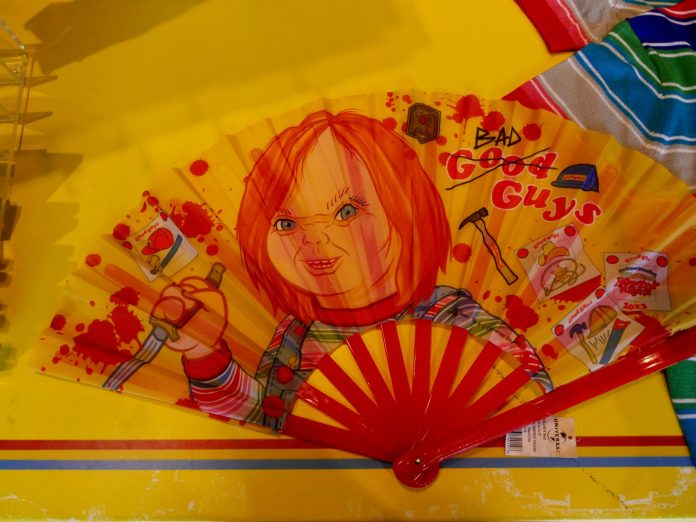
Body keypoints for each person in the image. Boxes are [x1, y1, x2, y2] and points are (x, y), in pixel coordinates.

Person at [152, 110, 551, 430]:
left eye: (346, 212)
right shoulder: (296, 336)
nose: (315, 239)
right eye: (286, 223)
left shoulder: (450, 317)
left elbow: (532, 398)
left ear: (407, 212)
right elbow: (264, 422)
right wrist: (205, 353)